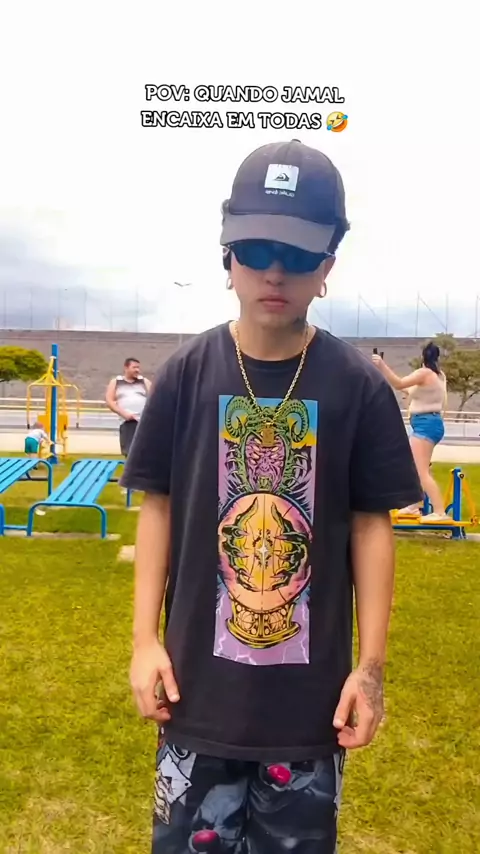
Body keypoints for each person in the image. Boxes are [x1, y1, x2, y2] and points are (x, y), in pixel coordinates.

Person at [121, 139, 423, 854]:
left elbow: (371, 526)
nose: (276, 271)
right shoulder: (187, 374)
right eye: (256, 250)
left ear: (329, 265)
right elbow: (158, 506)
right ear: (227, 257)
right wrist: (144, 641)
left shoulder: (358, 385)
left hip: (309, 712)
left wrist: (370, 669)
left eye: (299, 253)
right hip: (195, 695)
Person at [372, 342, 448, 521]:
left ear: (423, 356)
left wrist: (382, 365)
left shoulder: (424, 373)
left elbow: (399, 384)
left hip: (426, 425)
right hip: (428, 424)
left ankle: (440, 512)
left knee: (421, 471)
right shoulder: (437, 375)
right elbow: (409, 389)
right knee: (415, 466)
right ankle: (414, 505)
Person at [105, 358, 151, 457]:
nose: (137, 370)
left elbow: (155, 397)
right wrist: (123, 413)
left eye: (138, 368)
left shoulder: (144, 381)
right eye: (134, 367)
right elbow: (109, 401)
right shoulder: (116, 382)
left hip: (143, 422)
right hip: (127, 422)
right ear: (126, 368)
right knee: (130, 452)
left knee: (145, 452)